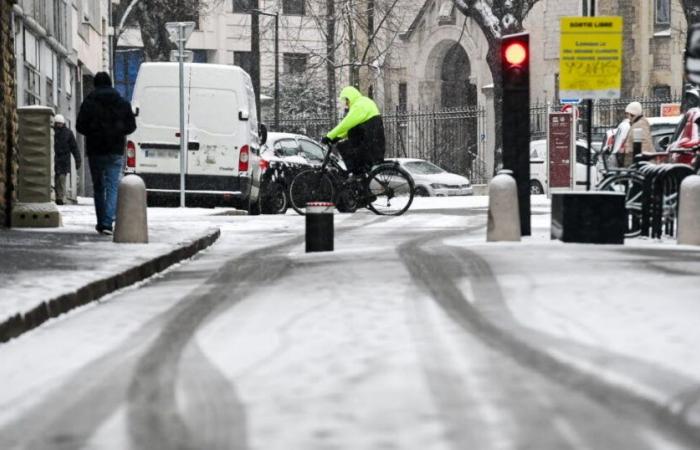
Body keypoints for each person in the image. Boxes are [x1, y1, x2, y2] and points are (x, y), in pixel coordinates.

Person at [76, 72, 136, 235]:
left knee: (98, 187)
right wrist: (117, 130)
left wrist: (94, 131)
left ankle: (101, 220)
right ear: (110, 84)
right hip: (115, 149)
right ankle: (108, 222)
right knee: (112, 186)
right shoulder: (121, 102)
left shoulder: (89, 102)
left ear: (95, 84)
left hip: (95, 150)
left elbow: (80, 126)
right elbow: (131, 126)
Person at [321, 86, 386, 175]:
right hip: (373, 142)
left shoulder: (359, 105)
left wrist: (329, 136)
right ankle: (358, 175)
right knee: (351, 136)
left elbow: (345, 124)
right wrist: (337, 137)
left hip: (369, 142)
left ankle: (356, 173)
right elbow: (351, 127)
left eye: (347, 100)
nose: (347, 104)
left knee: (344, 146)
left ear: (350, 97)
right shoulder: (364, 101)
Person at [53, 114, 81, 205]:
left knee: (61, 179)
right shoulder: (52, 132)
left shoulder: (68, 133)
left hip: (63, 160)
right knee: (56, 178)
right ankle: (57, 196)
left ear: (63, 124)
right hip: (54, 159)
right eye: (57, 124)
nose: (58, 126)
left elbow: (74, 147)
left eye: (60, 124)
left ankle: (60, 198)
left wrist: (78, 160)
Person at [618, 101, 654, 166]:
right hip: (636, 161)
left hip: (639, 163)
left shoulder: (640, 125)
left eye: (628, 114)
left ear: (633, 114)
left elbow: (644, 144)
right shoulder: (637, 124)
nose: (627, 116)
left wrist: (639, 161)